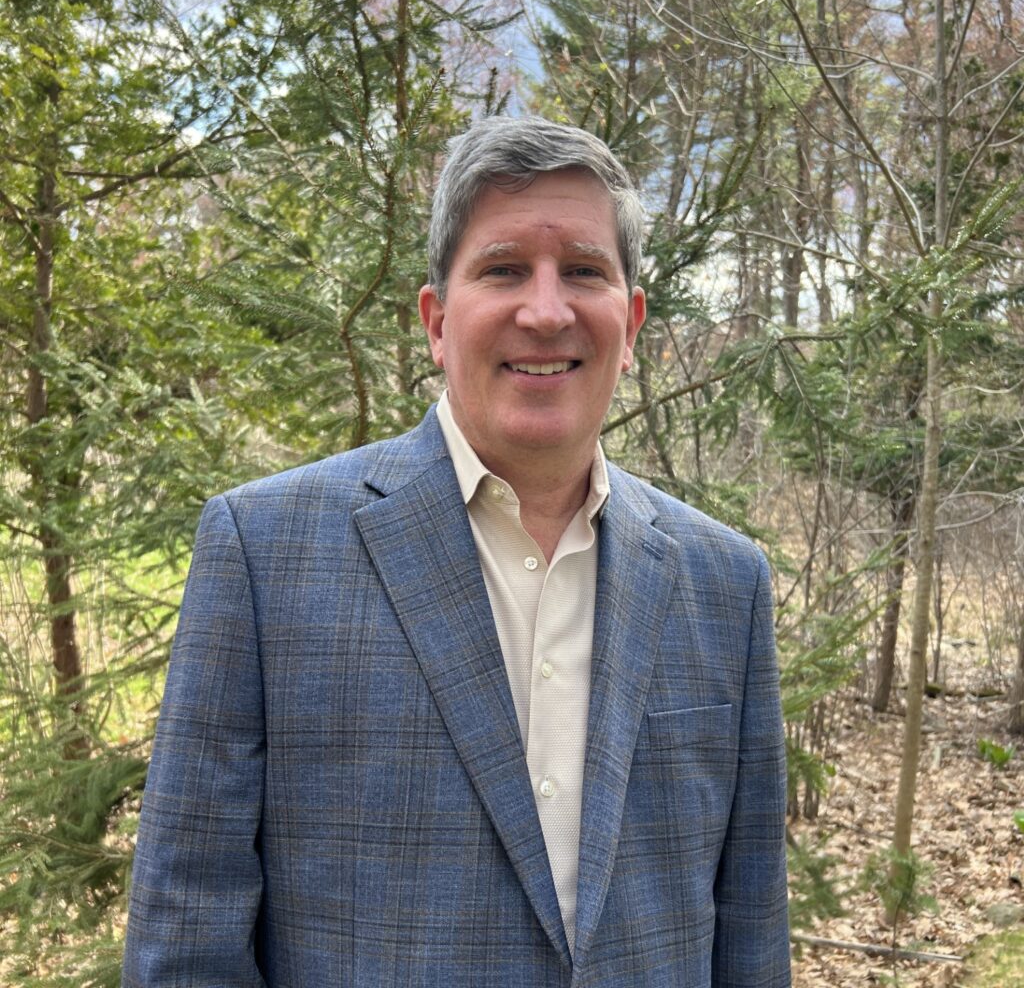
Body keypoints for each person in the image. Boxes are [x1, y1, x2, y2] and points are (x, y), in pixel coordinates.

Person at [122, 116, 790, 987]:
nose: (546, 310)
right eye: (505, 267)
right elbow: (186, 943)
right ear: (438, 321)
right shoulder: (264, 552)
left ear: (631, 323)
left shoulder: (724, 582)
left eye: (583, 271)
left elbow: (749, 939)